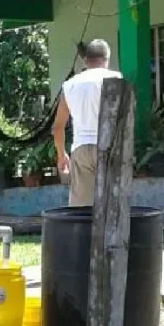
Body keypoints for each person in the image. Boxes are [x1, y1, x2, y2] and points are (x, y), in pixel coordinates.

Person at [52, 39, 123, 206]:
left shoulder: (70, 85)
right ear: (107, 59)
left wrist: (62, 156)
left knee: (81, 210)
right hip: (108, 147)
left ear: (85, 60)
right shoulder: (116, 79)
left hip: (81, 149)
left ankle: (82, 233)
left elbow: (57, 127)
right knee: (111, 207)